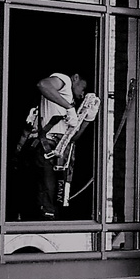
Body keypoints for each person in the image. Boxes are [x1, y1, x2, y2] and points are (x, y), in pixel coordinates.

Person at [27, 72, 100, 219]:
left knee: (56, 198)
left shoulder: (69, 100)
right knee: (46, 196)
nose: (82, 93)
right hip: (47, 147)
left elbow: (72, 138)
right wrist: (69, 108)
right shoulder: (64, 81)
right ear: (76, 78)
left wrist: (88, 118)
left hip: (59, 152)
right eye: (82, 88)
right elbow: (43, 84)